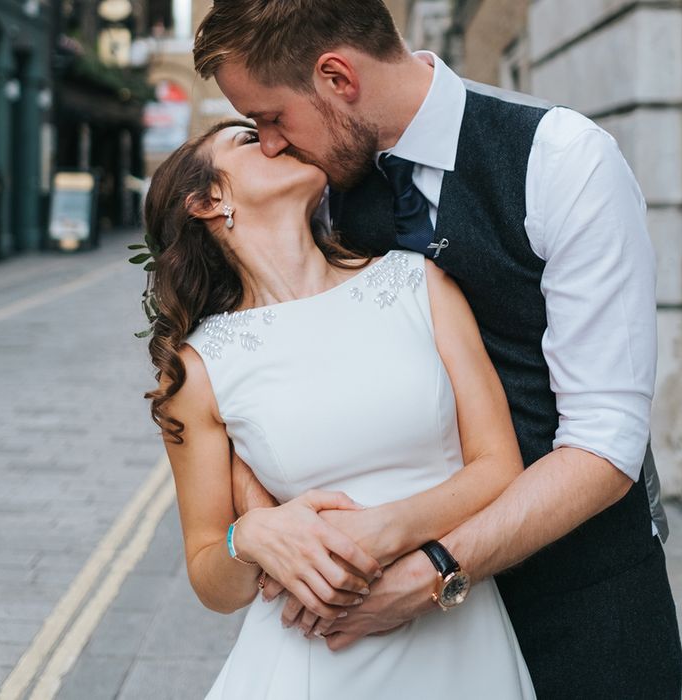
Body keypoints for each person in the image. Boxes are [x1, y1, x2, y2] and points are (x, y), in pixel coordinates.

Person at [193, 0, 682, 697]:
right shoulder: (320, 194)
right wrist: (263, 519)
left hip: (582, 602)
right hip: (394, 640)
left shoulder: (561, 159)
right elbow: (263, 373)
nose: (270, 145)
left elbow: (605, 446)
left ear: (337, 77)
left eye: (271, 118)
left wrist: (434, 570)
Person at [142, 120, 536, 697]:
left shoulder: (417, 283)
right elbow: (211, 578)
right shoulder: (199, 369)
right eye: (250, 140)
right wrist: (248, 538)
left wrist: (386, 533)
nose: (279, 138)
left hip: (460, 642)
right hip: (314, 662)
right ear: (208, 201)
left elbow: (501, 467)